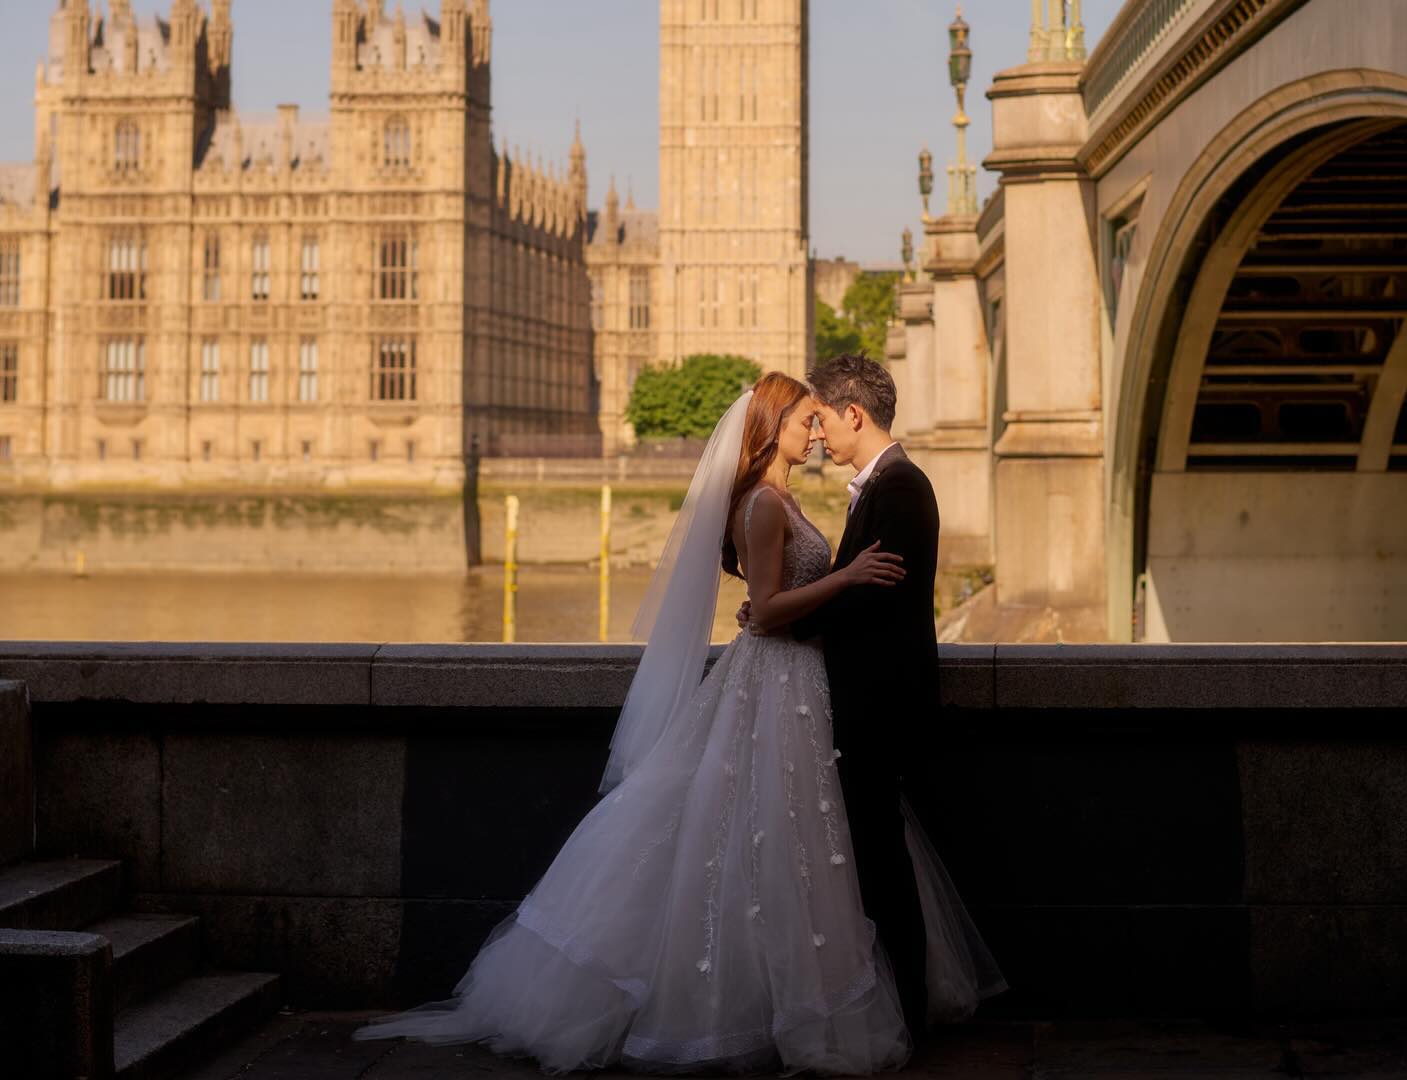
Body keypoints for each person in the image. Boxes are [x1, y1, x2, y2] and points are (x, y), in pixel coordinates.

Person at [357, 372, 1000, 1072]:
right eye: (804, 422)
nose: (815, 433)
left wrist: (792, 605)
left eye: (821, 422)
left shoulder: (791, 498)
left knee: (802, 850)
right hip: (777, 685)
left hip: (806, 686)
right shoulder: (761, 503)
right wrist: (835, 583)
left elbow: (776, 605)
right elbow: (770, 604)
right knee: (766, 843)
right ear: (772, 426)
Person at [747, 353, 998, 1043]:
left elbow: (872, 599)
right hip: (860, 701)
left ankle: (906, 1012)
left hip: (879, 707)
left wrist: (780, 616)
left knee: (881, 867)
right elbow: (854, 588)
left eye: (822, 418)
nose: (819, 433)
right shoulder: (884, 486)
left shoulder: (900, 489)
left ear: (852, 414)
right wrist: (782, 611)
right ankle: (894, 1005)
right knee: (871, 862)